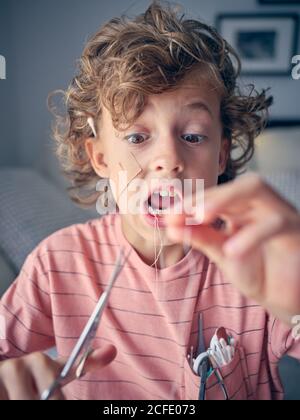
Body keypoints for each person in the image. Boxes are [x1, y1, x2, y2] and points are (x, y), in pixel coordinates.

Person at [0, 1, 299, 400]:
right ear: (101, 157)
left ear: (221, 156)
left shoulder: (255, 262)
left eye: (193, 136)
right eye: (137, 138)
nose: (170, 162)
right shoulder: (58, 265)